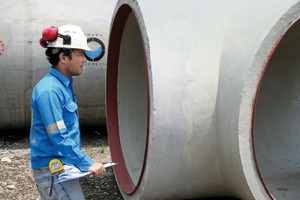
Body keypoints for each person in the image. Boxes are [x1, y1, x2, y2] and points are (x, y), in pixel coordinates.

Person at [30, 25, 105, 200]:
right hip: (54, 171)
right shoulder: (50, 91)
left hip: (61, 169)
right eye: (79, 54)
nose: (84, 59)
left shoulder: (62, 87)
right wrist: (87, 163)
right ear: (63, 57)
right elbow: (58, 135)